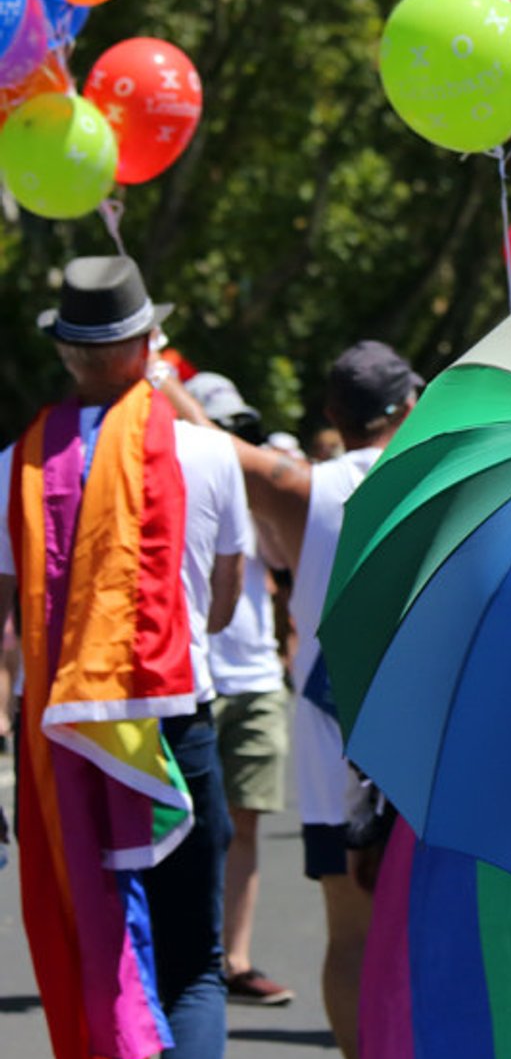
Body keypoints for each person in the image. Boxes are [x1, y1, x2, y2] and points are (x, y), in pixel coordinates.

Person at [1, 256, 248, 1059]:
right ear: (150, 345)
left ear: (68, 354)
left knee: (92, 945)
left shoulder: (15, 465)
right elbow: (220, 608)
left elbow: (8, 625)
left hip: (60, 740)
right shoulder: (211, 455)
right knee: (194, 962)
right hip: (178, 728)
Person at [211, 339, 422, 1059]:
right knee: (438, 921)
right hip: (435, 726)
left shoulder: (303, 487)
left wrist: (161, 371)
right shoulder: (448, 472)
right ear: (407, 405)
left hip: (332, 732)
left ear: (333, 413)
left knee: (350, 930)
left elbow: (214, 444)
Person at [184, 371, 298, 1008]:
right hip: (191, 677)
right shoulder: (173, 473)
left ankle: (235, 958)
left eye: (237, 429)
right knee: (185, 828)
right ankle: (185, 952)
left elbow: (283, 558)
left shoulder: (252, 491)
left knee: (245, 825)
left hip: (253, 677)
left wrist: (252, 493)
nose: (230, 440)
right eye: (218, 427)